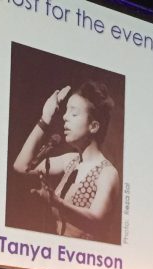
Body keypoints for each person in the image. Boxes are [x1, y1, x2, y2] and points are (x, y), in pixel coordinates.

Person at [12, 80, 120, 242]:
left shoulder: (107, 173)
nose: (64, 117)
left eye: (74, 114)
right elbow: (21, 166)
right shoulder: (70, 161)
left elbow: (96, 218)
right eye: (66, 111)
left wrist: (57, 202)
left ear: (94, 126)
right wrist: (45, 118)